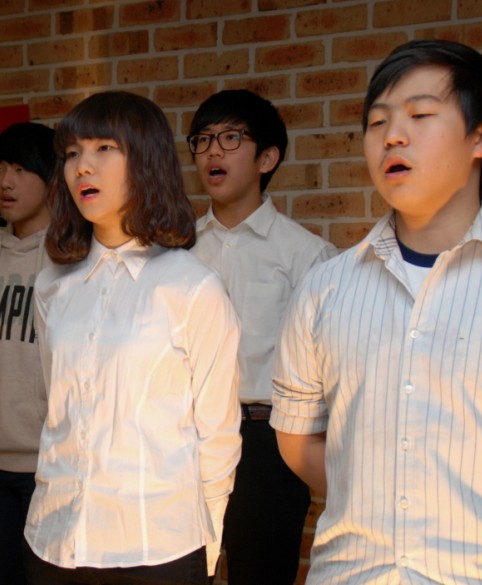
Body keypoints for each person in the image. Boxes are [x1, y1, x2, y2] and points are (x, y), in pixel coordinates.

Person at [271, 39, 482, 584]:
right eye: (378, 122)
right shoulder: (323, 289)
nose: (393, 136)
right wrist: (387, 497)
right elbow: (298, 440)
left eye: (421, 115)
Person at [23, 91, 242, 585]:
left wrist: (208, 547)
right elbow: (56, 407)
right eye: (72, 153)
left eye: (104, 148)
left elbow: (217, 435)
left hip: (155, 546)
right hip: (52, 538)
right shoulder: (52, 285)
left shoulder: (191, 287)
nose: (83, 167)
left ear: (146, 160)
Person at [187, 89, 336, 583]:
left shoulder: (306, 255)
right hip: (184, 437)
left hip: (267, 443)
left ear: (267, 158)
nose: (212, 150)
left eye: (230, 138)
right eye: (203, 139)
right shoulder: (177, 252)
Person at [0, 122, 55, 585]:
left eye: (21, 169)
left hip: (47, 462)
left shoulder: (70, 263)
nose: (6, 181)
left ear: (52, 179)